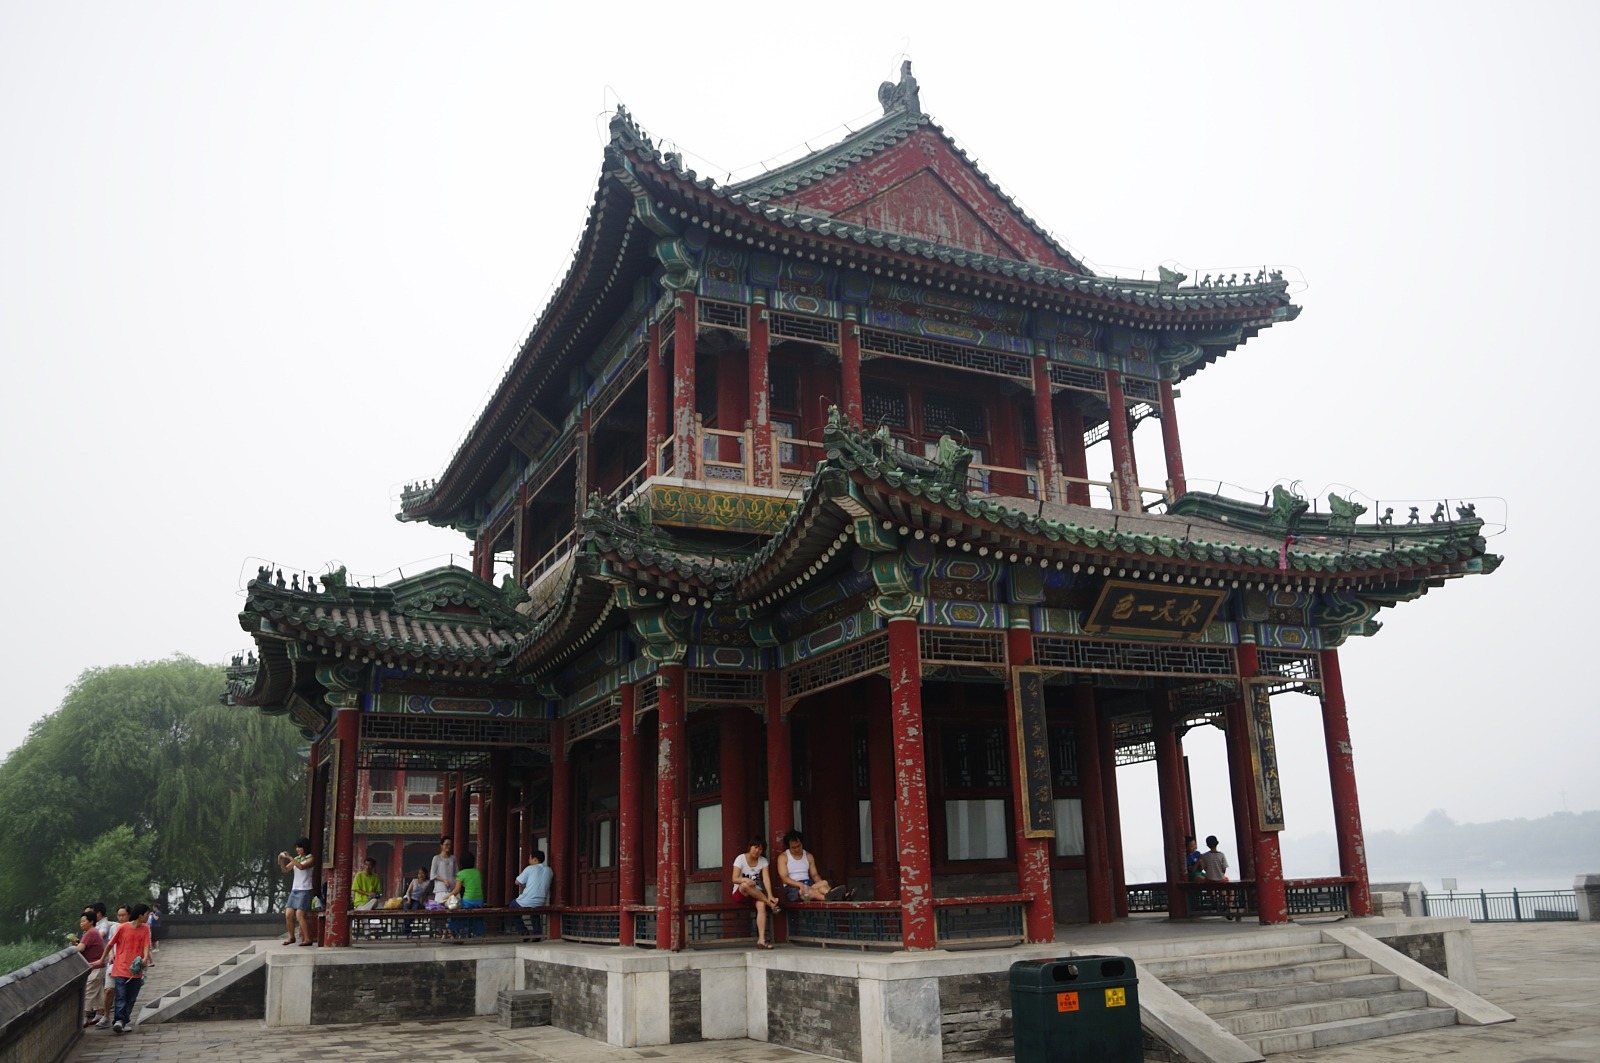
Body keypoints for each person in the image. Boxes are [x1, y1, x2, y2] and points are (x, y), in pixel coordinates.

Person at [107, 902, 153, 1033]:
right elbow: (110, 944)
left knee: (131, 997)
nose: (148, 916)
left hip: (135, 969)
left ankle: (124, 1020)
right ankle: (119, 1020)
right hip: (121, 967)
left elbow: (146, 945)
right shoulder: (122, 928)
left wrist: (145, 958)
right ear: (140, 915)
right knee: (121, 995)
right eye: (146, 914)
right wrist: (105, 957)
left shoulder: (145, 929)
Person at [731, 837, 780, 948]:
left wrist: (770, 894)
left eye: (760, 849)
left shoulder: (763, 861)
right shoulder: (740, 858)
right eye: (755, 847)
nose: (757, 851)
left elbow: (766, 879)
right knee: (745, 885)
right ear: (750, 847)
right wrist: (745, 880)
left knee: (761, 905)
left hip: (757, 893)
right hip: (741, 892)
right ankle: (770, 904)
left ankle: (761, 940)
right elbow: (734, 879)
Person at [777, 830, 847, 902]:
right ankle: (832, 898)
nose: (797, 849)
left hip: (808, 883)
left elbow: (815, 875)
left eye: (799, 846)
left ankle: (836, 895)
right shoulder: (783, 857)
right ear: (788, 847)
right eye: (793, 847)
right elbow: (785, 878)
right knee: (808, 891)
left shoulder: (808, 856)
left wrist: (819, 882)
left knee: (824, 884)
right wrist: (800, 885)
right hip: (793, 887)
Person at [96, 904, 131, 1029]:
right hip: (114, 963)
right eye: (119, 915)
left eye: (123, 915)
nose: (121, 918)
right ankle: (106, 1016)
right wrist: (110, 955)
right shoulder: (114, 928)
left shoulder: (133, 928)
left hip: (127, 964)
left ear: (129, 915)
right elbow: (110, 944)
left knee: (125, 993)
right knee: (109, 989)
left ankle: (122, 1019)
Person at [279, 837, 317, 945]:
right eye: (296, 847)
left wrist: (290, 857)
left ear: (305, 848)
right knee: (288, 914)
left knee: (299, 915)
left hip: (305, 889)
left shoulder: (311, 858)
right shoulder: (297, 858)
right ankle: (291, 937)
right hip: (295, 889)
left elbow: (301, 867)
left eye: (299, 847)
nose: (297, 849)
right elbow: (285, 870)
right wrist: (281, 861)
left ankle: (307, 939)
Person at [73, 910, 107, 1027]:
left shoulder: (90, 933)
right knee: (97, 992)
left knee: (88, 992)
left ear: (91, 921)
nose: (81, 923)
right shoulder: (93, 932)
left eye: (84, 921)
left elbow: (80, 948)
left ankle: (84, 1017)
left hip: (94, 966)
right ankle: (99, 1014)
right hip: (98, 966)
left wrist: (74, 947)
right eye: (80, 921)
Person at [509, 849, 553, 935]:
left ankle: (523, 931)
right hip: (541, 902)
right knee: (535, 913)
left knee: (512, 907)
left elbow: (517, 882)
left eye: (530, 858)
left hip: (527, 901)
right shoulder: (549, 870)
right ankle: (537, 933)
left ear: (535, 859)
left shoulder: (530, 868)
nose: (529, 860)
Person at [447, 850, 485, 939]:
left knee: (458, 915)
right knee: (477, 917)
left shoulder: (461, 874)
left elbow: (456, 890)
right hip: (480, 901)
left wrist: (447, 896)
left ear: (461, 863)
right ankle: (478, 933)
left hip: (468, 900)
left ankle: (456, 931)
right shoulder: (478, 872)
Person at [1198, 835, 1235, 919]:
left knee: (1212, 888)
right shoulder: (1221, 855)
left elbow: (1204, 868)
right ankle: (1229, 907)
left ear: (1207, 845)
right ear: (1217, 843)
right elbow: (1224, 869)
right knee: (1231, 890)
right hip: (1221, 879)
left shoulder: (1205, 856)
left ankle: (1216, 902)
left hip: (1209, 880)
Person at [428, 836, 458, 907]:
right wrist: (444, 880)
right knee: (440, 908)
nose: (448, 846)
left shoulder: (453, 858)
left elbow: (456, 874)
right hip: (441, 889)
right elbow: (432, 875)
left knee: (454, 907)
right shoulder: (436, 858)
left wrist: (457, 886)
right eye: (446, 844)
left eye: (450, 844)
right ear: (441, 845)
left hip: (452, 889)